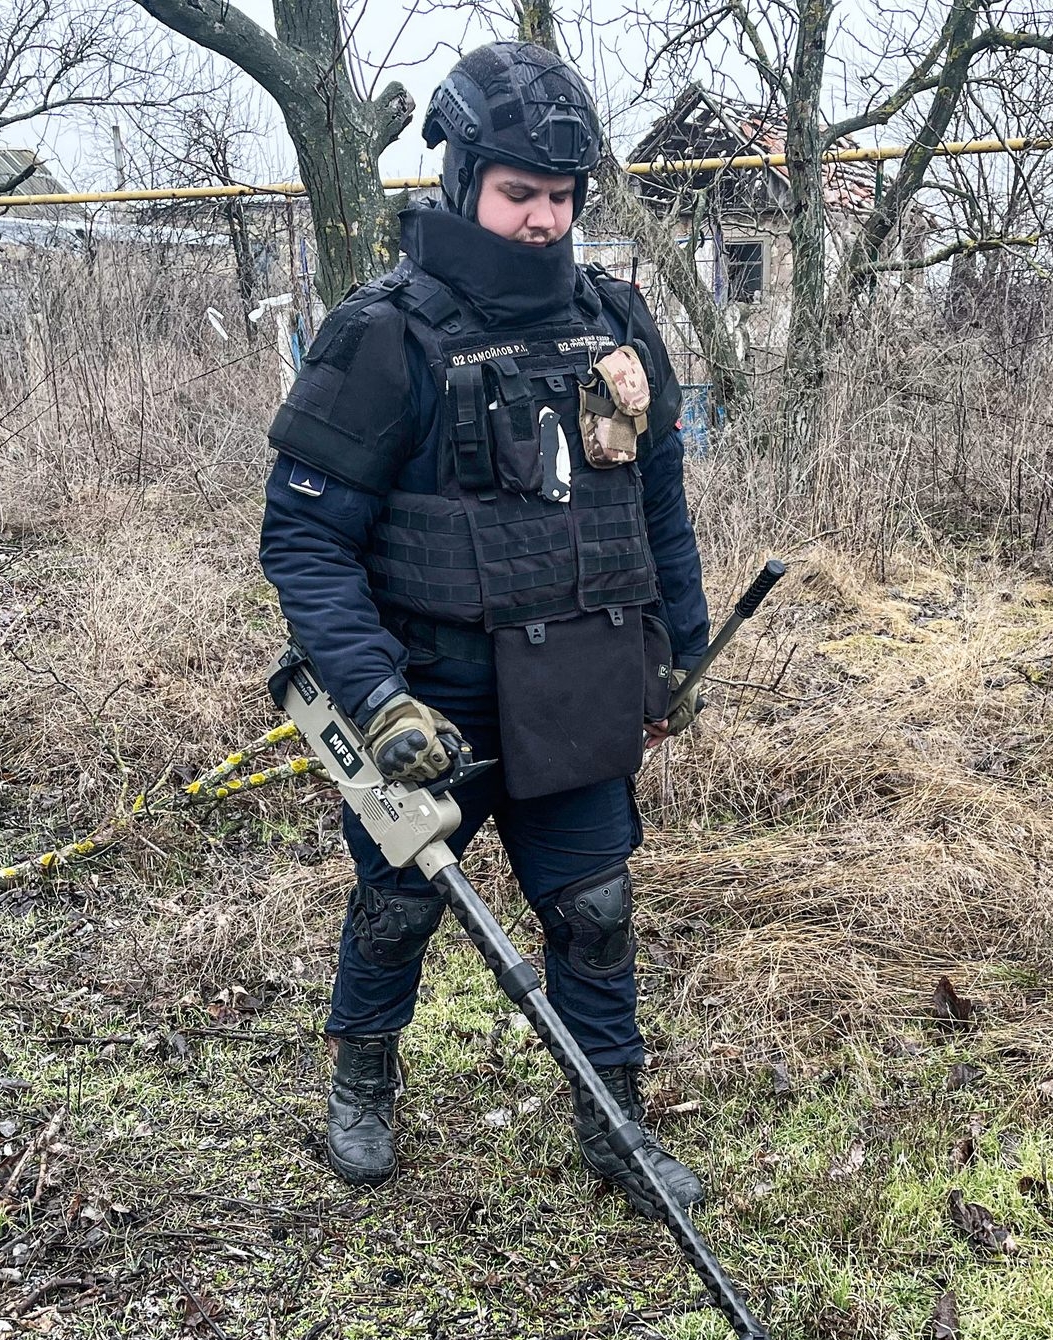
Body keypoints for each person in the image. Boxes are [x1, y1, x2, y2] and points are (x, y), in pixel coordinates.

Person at [258, 40, 711, 1216]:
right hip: (430, 695)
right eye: (520, 193)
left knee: (596, 912)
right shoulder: (382, 333)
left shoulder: (614, 321)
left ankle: (612, 1126)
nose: (542, 220)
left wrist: (681, 653)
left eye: (561, 197)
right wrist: (375, 700)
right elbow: (301, 541)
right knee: (399, 902)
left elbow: (658, 497)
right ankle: (361, 1082)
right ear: (462, 180)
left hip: (583, 676)